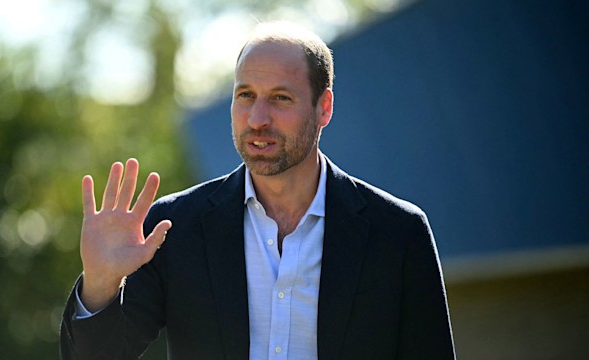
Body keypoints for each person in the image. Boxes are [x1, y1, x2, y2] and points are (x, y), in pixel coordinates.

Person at [60, 21, 455, 359]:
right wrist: (100, 285)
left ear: (324, 108)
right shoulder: (175, 228)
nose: (257, 118)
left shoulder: (398, 234)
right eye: (245, 95)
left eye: (280, 98)